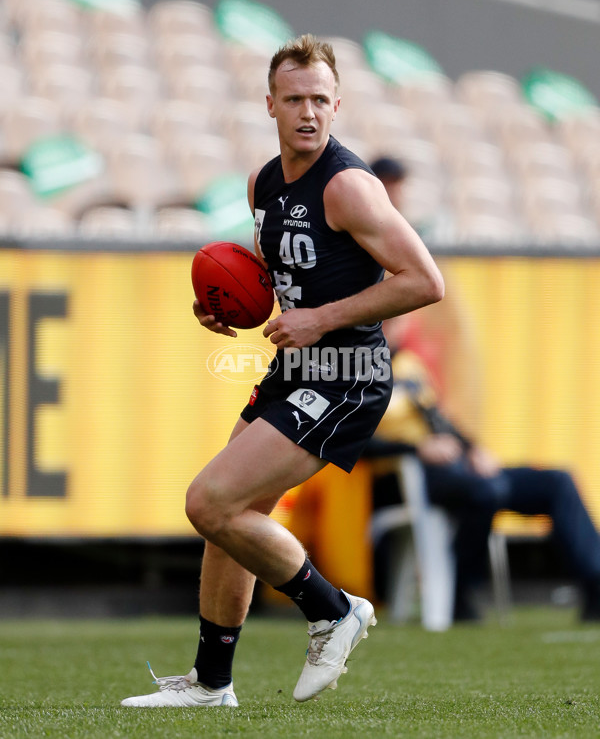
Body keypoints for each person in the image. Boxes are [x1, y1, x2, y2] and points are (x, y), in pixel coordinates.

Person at [121, 35, 444, 708]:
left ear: (337, 105)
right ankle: (212, 684)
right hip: (296, 366)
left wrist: (322, 319)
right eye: (295, 99)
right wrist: (222, 304)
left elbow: (423, 280)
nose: (308, 112)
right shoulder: (263, 181)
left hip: (346, 371)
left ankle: (333, 611)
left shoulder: (350, 185)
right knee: (228, 515)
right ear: (269, 103)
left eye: (320, 100)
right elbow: (289, 269)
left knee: (210, 501)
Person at [369, 319, 600, 622]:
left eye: (398, 321)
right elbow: (353, 443)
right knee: (487, 491)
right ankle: (462, 591)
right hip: (409, 478)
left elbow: (438, 419)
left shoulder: (411, 366)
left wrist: (473, 448)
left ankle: (595, 585)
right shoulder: (357, 374)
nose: (393, 329)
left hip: (457, 469)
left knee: (556, 481)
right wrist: (416, 450)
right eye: (386, 322)